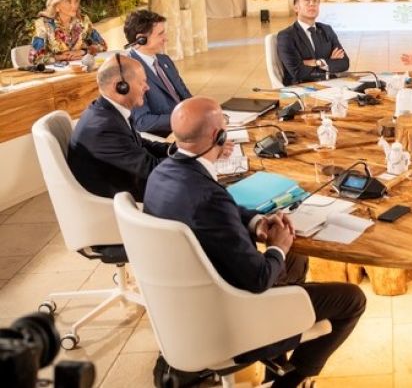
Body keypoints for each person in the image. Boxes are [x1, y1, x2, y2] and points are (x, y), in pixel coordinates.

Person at [144, 97, 365, 388]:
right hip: (234, 318)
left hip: (187, 305)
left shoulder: (161, 175)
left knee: (295, 260)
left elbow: (219, 209)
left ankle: (279, 362)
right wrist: (277, 247)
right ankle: (290, 381)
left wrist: (257, 222)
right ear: (218, 136)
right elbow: (258, 279)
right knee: (352, 300)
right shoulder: (209, 197)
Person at [67, 54, 170, 202]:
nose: (147, 87)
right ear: (121, 87)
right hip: (123, 201)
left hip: (128, 185)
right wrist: (193, 156)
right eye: (142, 82)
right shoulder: (104, 127)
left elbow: (141, 144)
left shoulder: (108, 111)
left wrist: (177, 149)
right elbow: (151, 169)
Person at [126, 10, 192, 137]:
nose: (166, 39)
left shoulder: (164, 60)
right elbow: (142, 121)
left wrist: (201, 112)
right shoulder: (129, 71)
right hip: (167, 136)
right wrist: (182, 119)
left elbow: (185, 95)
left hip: (188, 127)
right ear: (141, 39)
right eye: (160, 34)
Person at [277, 0, 350, 86]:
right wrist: (329, 63)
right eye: (307, 1)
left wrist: (318, 62)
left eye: (315, 1)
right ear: (296, 8)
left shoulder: (326, 30)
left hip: (330, 85)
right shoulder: (286, 36)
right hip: (300, 88)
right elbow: (298, 72)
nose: (312, 4)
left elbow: (344, 63)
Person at [29, 0, 107, 65]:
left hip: (81, 68)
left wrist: (82, 52)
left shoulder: (83, 21)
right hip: (56, 71)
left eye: (76, 1)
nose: (74, 6)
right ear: (57, 6)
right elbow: (34, 58)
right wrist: (60, 57)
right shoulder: (43, 25)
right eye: (68, 2)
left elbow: (103, 46)